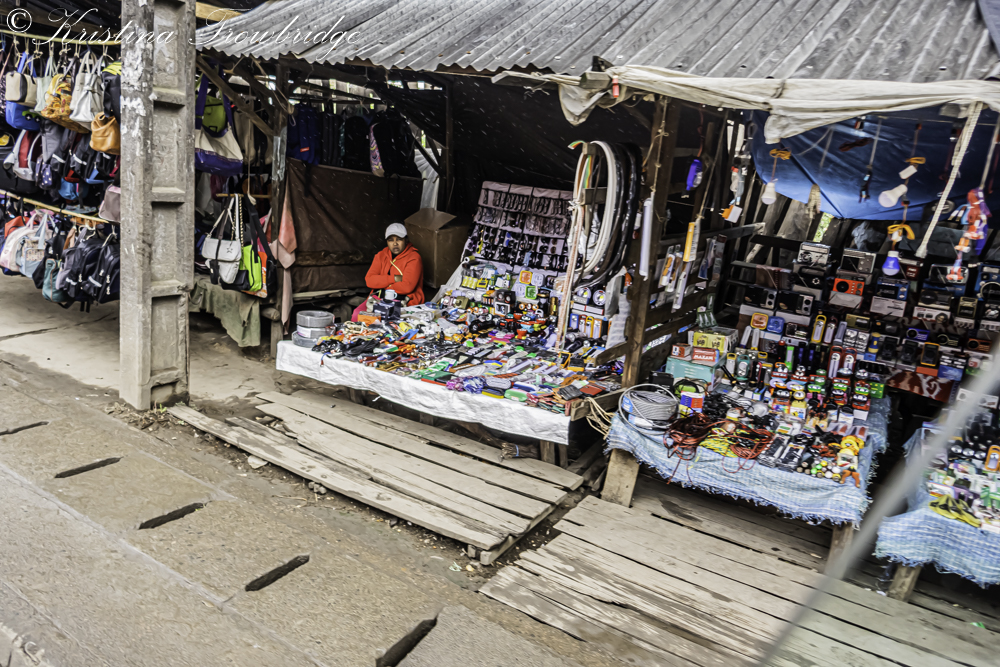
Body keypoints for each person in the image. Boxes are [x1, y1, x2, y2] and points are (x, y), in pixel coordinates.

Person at [352, 223, 424, 321]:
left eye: (399, 239)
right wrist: (394, 278)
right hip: (378, 298)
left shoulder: (414, 257)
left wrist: (381, 285)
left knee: (385, 320)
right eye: (391, 240)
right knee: (357, 314)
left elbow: (407, 287)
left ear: (406, 240)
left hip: (405, 300)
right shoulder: (381, 255)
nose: (395, 243)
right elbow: (369, 280)